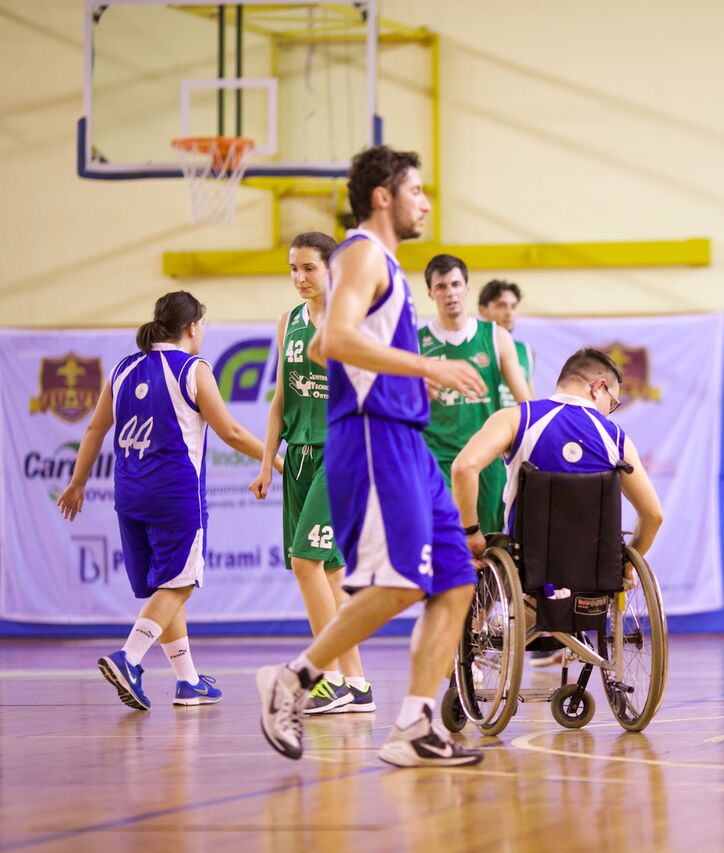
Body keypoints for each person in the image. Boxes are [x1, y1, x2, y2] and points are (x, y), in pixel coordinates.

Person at [255, 144, 489, 768]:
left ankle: (414, 723)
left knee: (456, 580)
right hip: (372, 437)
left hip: (407, 438)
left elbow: (341, 347)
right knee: (400, 581)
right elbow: (334, 339)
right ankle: (293, 680)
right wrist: (425, 365)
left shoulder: (385, 265)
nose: (425, 204)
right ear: (384, 196)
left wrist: (410, 379)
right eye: (416, 191)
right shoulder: (359, 253)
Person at [57, 291, 276, 710]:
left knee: (166, 585)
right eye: (203, 323)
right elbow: (230, 431)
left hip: (130, 496)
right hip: (175, 496)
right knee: (180, 584)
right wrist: (274, 460)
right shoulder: (193, 369)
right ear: (191, 327)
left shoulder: (123, 369)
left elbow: (94, 429)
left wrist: (78, 482)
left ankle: (188, 681)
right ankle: (129, 657)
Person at [249, 231, 374, 716]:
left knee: (306, 563)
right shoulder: (288, 322)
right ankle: (357, 684)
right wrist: (267, 462)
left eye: (308, 268)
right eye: (293, 269)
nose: (299, 277)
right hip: (298, 455)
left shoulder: (352, 321)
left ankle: (326, 678)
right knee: (333, 573)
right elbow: (281, 398)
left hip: (341, 454)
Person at [451, 347, 663, 564]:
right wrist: (627, 563)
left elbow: (464, 467)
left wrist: (470, 533)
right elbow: (653, 516)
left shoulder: (516, 418)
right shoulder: (617, 438)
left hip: (525, 563)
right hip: (596, 568)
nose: (609, 413)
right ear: (598, 388)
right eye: (612, 403)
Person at [419, 257, 533, 537]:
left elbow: (526, 402)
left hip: (485, 456)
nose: (450, 292)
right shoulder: (415, 341)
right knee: (445, 539)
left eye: (456, 284)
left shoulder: (496, 337)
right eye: (441, 286)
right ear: (430, 293)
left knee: (487, 541)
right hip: (436, 457)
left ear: (467, 288)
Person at [477, 278, 536, 408]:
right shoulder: (473, 346)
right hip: (485, 420)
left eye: (513, 307)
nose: (509, 313)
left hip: (516, 420)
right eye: (502, 306)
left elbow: (531, 400)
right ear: (482, 310)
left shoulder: (526, 350)